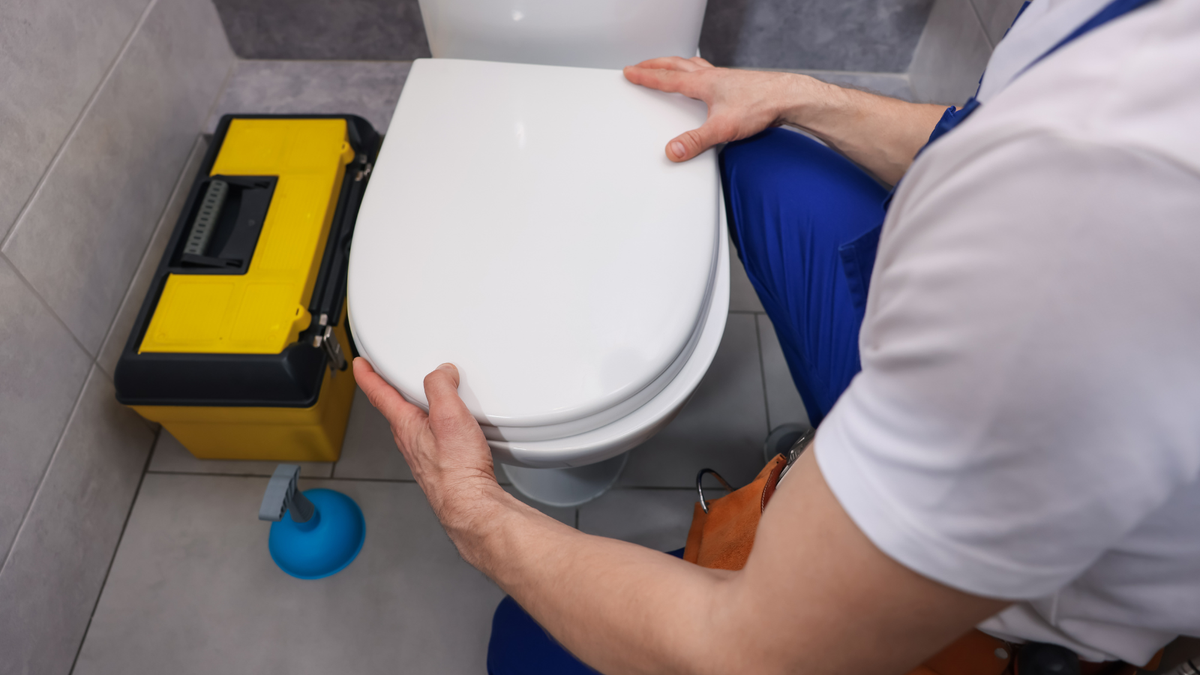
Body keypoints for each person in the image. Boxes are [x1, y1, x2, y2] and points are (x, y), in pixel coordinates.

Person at [354, 0, 1200, 671]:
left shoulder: (1106, 236)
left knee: (521, 647)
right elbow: (976, 139)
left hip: (1016, 602)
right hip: (1005, 342)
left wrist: (474, 514)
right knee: (762, 154)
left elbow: (750, 652)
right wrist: (801, 93)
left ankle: (868, 494)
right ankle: (857, 448)